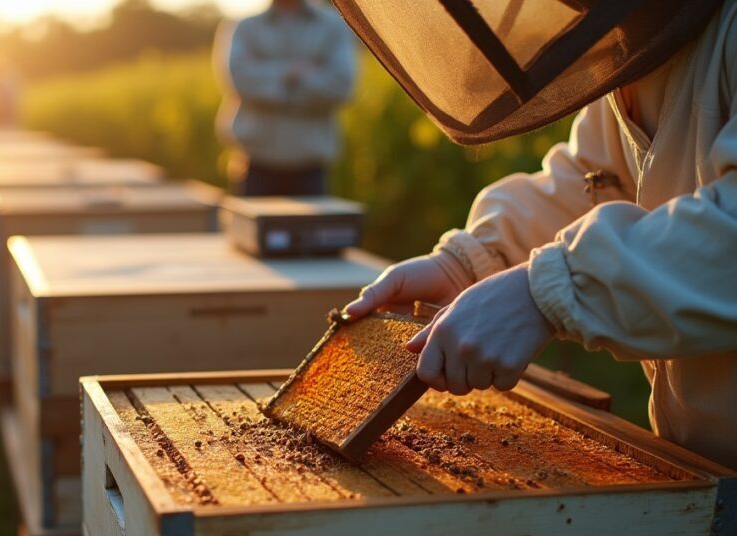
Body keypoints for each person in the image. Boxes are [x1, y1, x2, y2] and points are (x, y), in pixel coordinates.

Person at [338, 1, 737, 469]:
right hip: (707, 460)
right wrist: (472, 262)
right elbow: (593, 180)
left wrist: (545, 292)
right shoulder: (646, 36)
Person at [214, 0, 357, 196]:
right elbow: (240, 80)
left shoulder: (334, 25)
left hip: (310, 171)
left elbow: (341, 86)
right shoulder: (245, 27)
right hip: (255, 167)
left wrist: (267, 77)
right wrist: (295, 74)